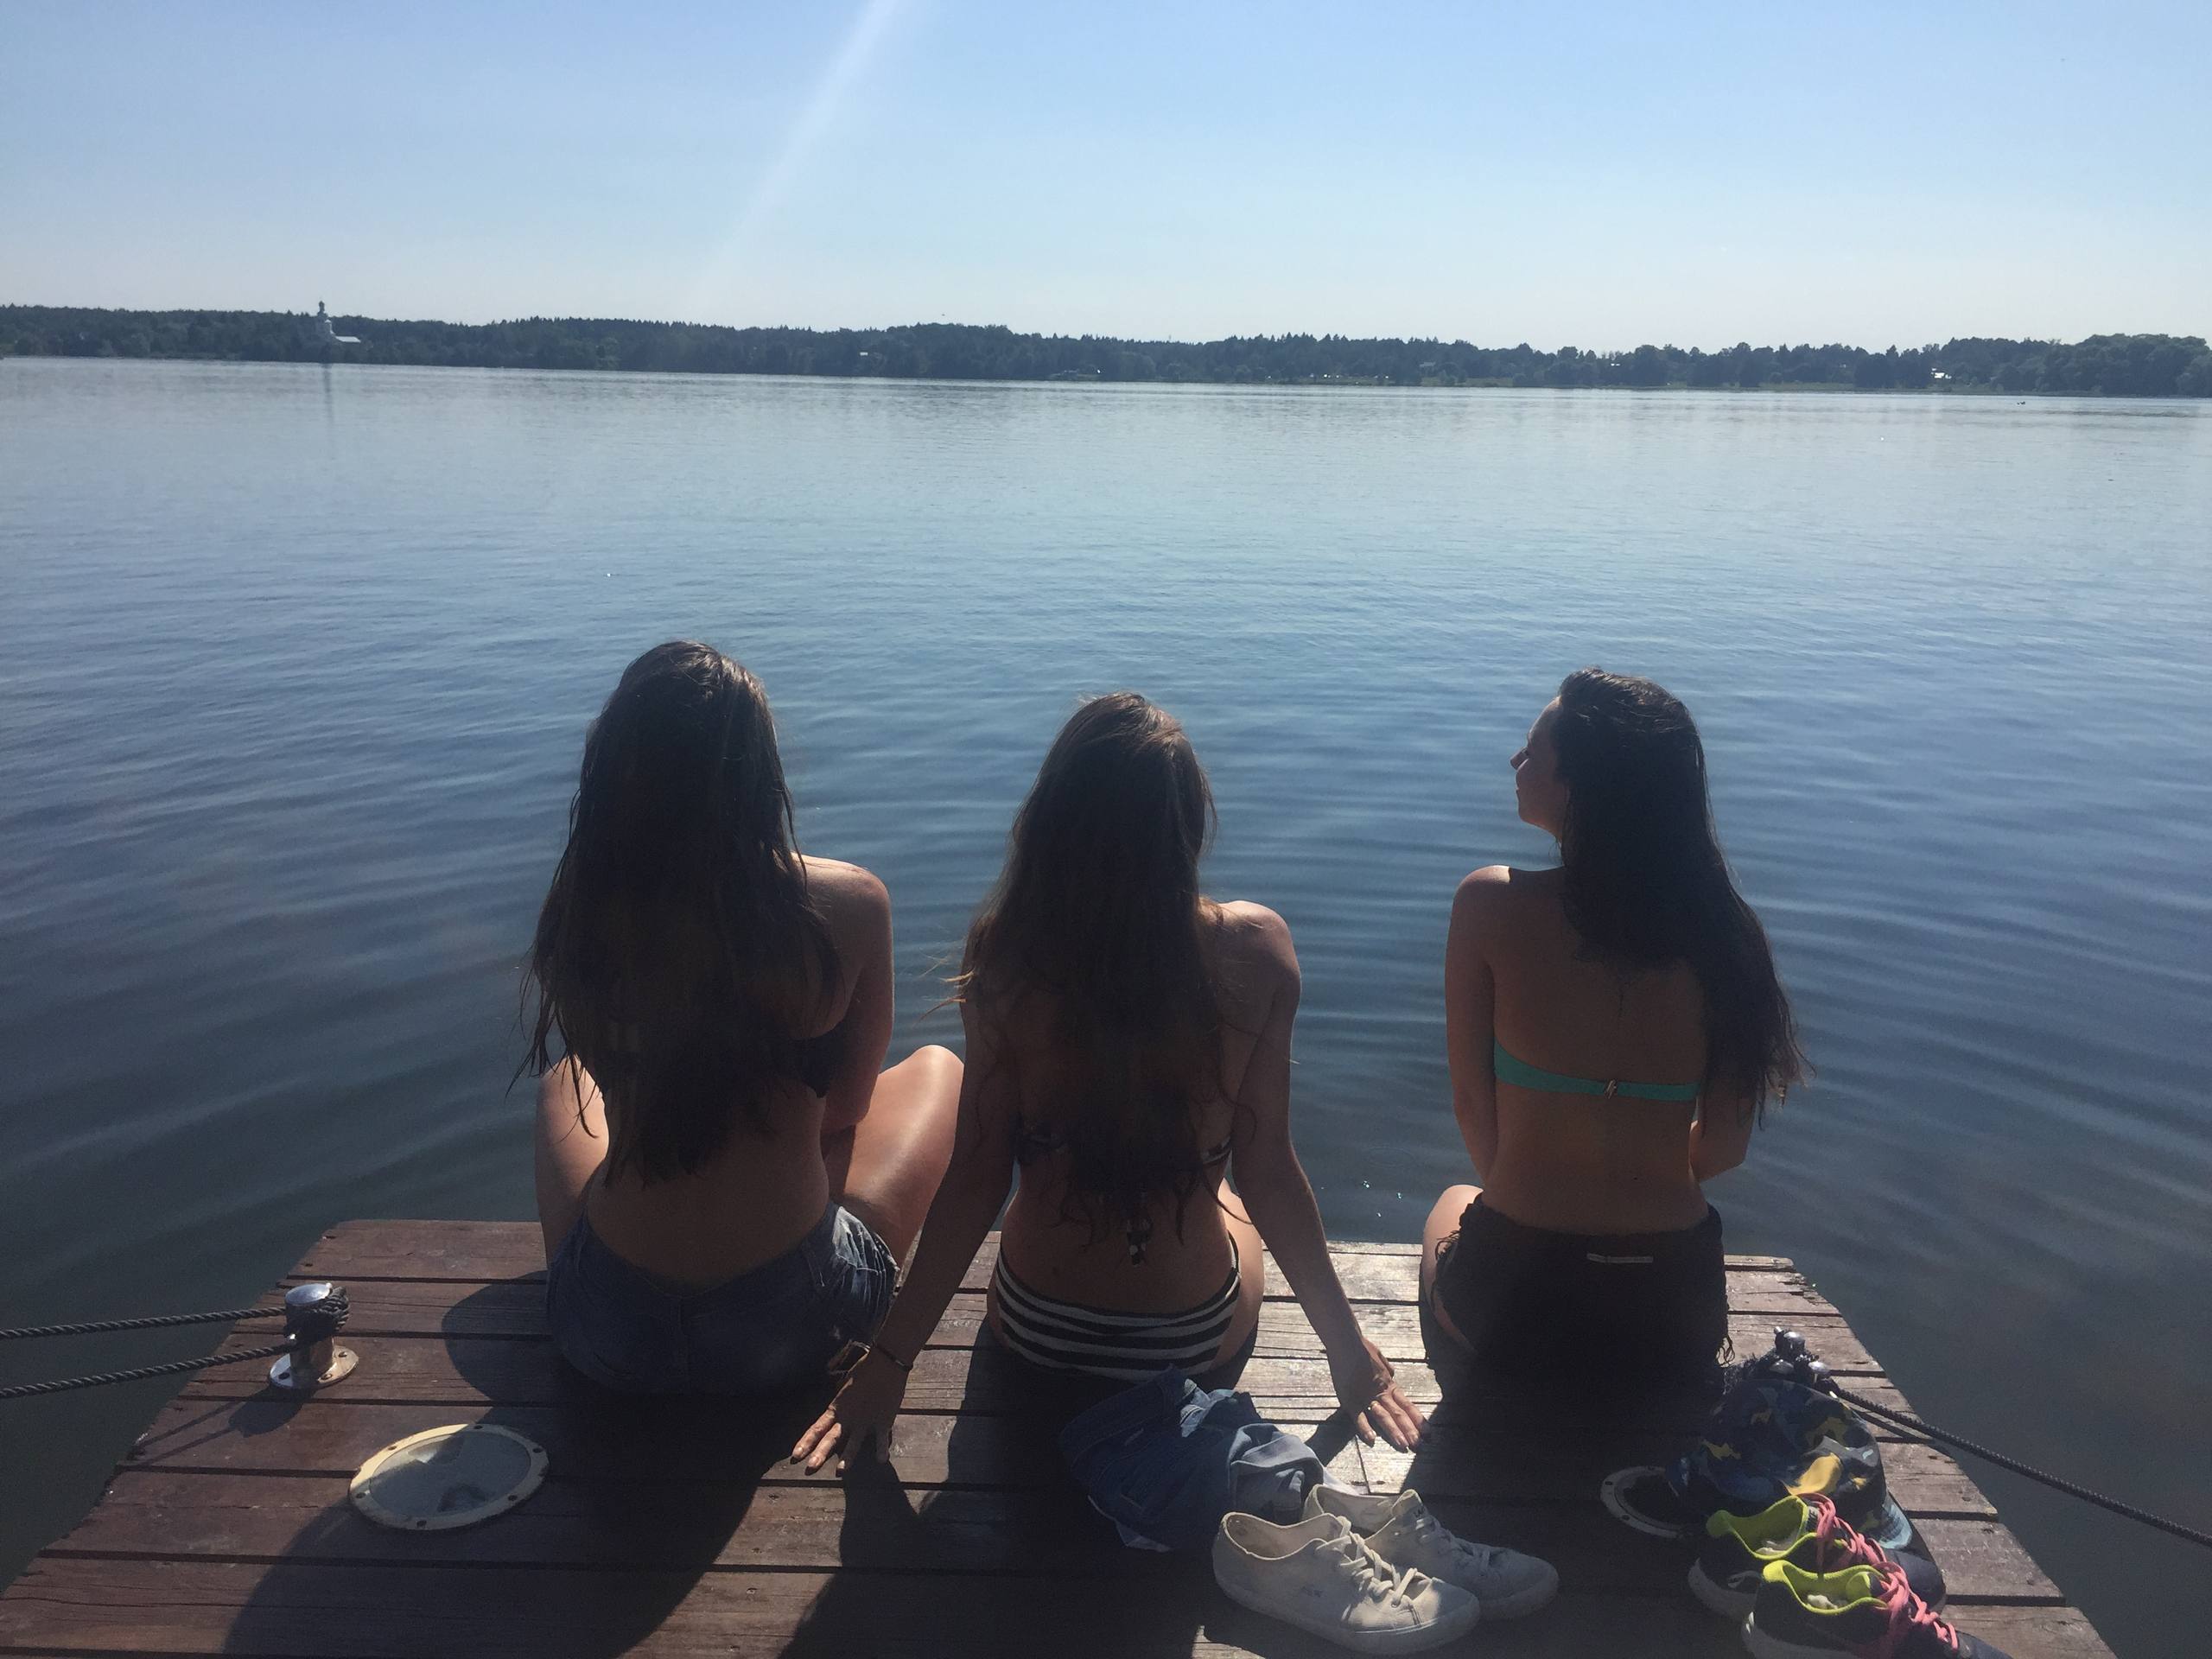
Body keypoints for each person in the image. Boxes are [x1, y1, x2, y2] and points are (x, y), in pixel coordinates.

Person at [794, 692, 1422, 1472]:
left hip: (1036, 1325)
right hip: (1185, 1336)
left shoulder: (1007, 955)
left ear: (1050, 823)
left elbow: (977, 1175)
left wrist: (891, 1362)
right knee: (1230, 1192)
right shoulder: (1257, 950)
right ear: (1186, 827)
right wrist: (1348, 1353)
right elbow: (1270, 1172)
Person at [524, 641, 961, 1395]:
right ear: (759, 774)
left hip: (605, 1330)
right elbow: (848, 1110)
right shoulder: (847, 905)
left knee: (568, 1078)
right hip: (794, 1332)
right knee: (938, 1068)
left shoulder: (582, 907)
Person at [1420, 668, 1806, 1386]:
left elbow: (1472, 1107)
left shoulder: (1489, 906)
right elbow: (1723, 1149)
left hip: (1515, 1304)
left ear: (1579, 787)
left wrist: (1542, 1194)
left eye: (1533, 751)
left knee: (1452, 1203)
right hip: (1672, 1311)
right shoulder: (1728, 937)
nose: (1515, 760)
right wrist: (1631, 1172)